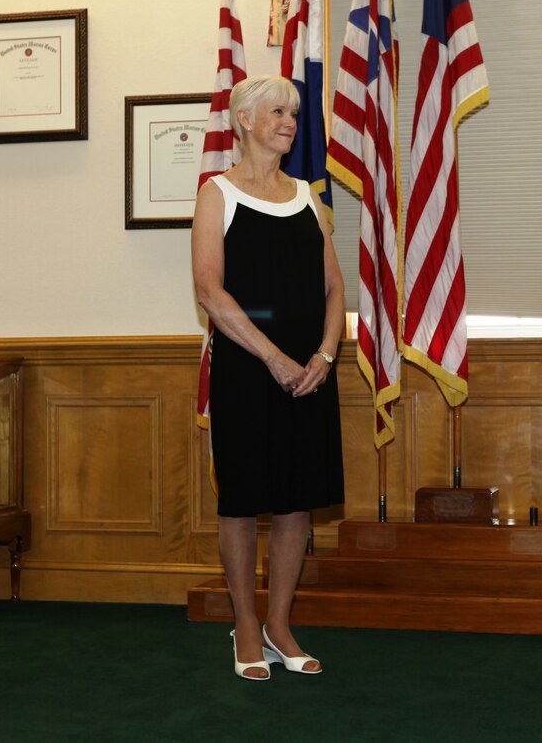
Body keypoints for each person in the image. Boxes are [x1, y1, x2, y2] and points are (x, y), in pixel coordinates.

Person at [191, 74, 345, 681]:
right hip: (249, 370)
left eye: (295, 112)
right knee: (245, 499)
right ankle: (247, 628)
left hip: (310, 371)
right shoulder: (217, 194)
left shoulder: (308, 195)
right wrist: (274, 358)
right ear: (245, 120)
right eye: (277, 110)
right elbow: (210, 289)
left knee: (296, 500)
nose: (289, 120)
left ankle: (280, 625)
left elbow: (335, 289)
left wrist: (324, 356)